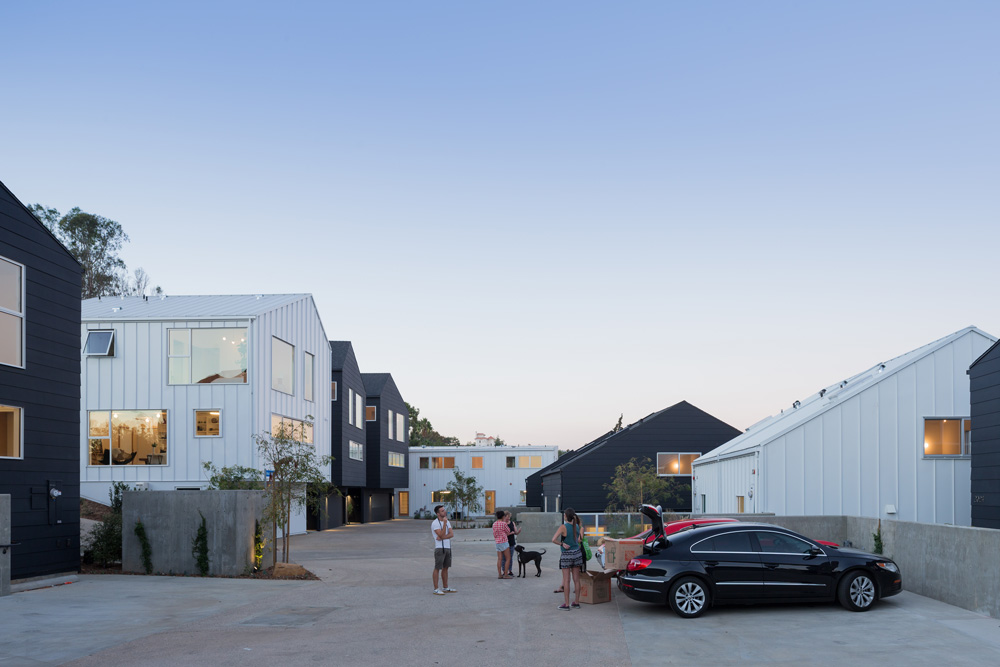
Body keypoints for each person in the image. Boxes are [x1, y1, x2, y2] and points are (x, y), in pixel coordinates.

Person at [551, 508, 584, 609]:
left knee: (566, 580)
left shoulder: (563, 527)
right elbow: (579, 540)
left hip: (566, 555)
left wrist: (562, 544)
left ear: (565, 516)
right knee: (576, 580)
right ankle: (576, 602)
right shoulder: (577, 526)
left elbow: (553, 539)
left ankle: (566, 604)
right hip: (577, 554)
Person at [431, 505, 457, 595]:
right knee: (437, 567)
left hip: (447, 547)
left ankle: (445, 587)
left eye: (444, 510)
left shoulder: (447, 521)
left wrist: (442, 537)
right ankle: (436, 588)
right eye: (442, 511)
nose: (444, 512)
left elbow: (451, 534)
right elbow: (441, 534)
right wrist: (445, 524)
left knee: (446, 568)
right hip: (439, 548)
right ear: (438, 513)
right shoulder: (435, 523)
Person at [492, 509, 513, 579]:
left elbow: (494, 534)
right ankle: (506, 574)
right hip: (504, 542)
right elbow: (508, 530)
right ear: (503, 516)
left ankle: (499, 574)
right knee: (508, 558)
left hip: (497, 542)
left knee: (499, 559)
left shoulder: (494, 524)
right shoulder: (503, 524)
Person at [504, 511, 521, 577]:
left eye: (509, 517)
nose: (508, 519)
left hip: (511, 542)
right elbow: (503, 534)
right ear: (504, 517)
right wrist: (510, 533)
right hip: (504, 542)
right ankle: (504, 571)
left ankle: (510, 570)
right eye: (507, 517)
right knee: (504, 558)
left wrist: (518, 532)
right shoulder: (502, 524)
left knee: (510, 557)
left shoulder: (512, 523)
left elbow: (515, 532)